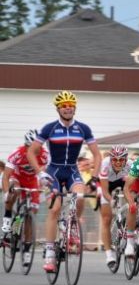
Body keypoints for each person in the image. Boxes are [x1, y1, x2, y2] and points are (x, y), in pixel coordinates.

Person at [28, 91, 102, 272]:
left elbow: (97, 154)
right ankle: (51, 252)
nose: (68, 108)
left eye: (71, 105)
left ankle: (72, 227)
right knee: (55, 208)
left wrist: (94, 176)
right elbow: (31, 152)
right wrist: (40, 173)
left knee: (80, 197)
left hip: (71, 170)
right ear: (58, 109)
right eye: (64, 106)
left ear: (74, 108)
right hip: (53, 170)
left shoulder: (83, 128)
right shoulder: (49, 128)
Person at [2, 130, 49, 266]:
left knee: (29, 216)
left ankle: (27, 249)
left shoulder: (45, 155)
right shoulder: (17, 153)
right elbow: (6, 176)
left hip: (32, 180)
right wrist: (6, 194)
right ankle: (7, 218)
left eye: (37, 147)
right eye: (30, 147)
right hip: (16, 178)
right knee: (14, 191)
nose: (33, 150)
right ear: (26, 145)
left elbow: (49, 172)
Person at [98, 145, 132, 268]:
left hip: (123, 182)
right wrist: (111, 200)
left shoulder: (131, 166)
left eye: (121, 160)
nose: (118, 162)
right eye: (115, 160)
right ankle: (109, 254)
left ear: (126, 159)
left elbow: (133, 188)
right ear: (111, 159)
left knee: (133, 203)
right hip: (108, 184)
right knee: (106, 218)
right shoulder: (105, 164)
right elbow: (105, 191)